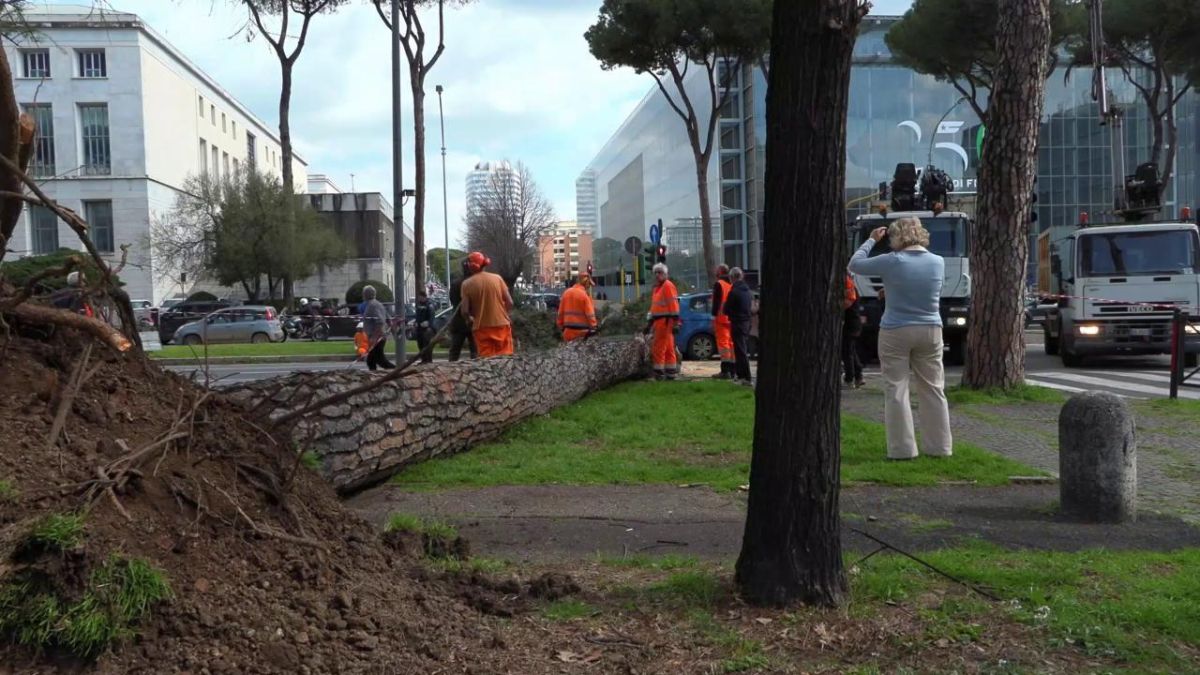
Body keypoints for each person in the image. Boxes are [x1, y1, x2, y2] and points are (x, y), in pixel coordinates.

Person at [848, 217, 952, 460]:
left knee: (896, 388)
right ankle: (939, 447)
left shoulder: (892, 261)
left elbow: (855, 264)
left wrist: (871, 240)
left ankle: (902, 449)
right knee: (934, 388)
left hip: (896, 329)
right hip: (930, 328)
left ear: (896, 237)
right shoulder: (938, 262)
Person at [459, 251, 515, 358]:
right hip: (501, 325)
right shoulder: (497, 278)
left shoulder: (466, 284)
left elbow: (465, 311)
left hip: (481, 327)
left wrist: (469, 319)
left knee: (487, 362)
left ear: (471, 266)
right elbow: (510, 302)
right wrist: (504, 314)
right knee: (505, 359)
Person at [647, 262, 680, 380]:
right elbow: (654, 306)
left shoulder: (667, 285)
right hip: (660, 321)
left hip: (665, 321)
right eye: (655, 272)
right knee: (669, 347)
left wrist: (675, 321)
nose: (657, 275)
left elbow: (673, 304)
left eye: (660, 272)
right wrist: (650, 321)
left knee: (658, 347)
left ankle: (658, 373)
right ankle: (671, 372)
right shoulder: (657, 288)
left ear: (665, 274)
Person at [722, 267, 754, 385]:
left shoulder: (734, 292)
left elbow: (725, 310)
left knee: (740, 351)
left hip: (737, 323)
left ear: (732, 278)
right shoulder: (748, 291)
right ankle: (742, 375)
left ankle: (745, 377)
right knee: (741, 350)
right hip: (747, 323)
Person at [448, 259, 478, 361]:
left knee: (454, 352)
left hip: (458, 321)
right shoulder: (475, 283)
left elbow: (452, 300)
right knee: (475, 352)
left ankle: (450, 371)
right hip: (474, 320)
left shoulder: (455, 283)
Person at [361, 285, 396, 371]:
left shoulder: (373, 305)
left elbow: (379, 322)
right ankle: (373, 376)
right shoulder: (378, 304)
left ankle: (396, 370)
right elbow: (388, 319)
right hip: (378, 336)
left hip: (377, 337)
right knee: (371, 360)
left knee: (380, 360)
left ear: (366, 294)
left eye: (363, 293)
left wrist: (374, 337)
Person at [708, 264, 735, 379]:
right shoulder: (732, 284)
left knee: (723, 344)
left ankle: (725, 370)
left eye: (716, 270)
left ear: (720, 272)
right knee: (731, 344)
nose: (715, 272)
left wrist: (713, 316)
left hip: (721, 319)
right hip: (731, 318)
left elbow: (717, 303)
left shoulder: (719, 284)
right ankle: (733, 369)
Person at [557, 272, 598, 342]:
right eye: (589, 284)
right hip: (582, 333)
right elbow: (590, 315)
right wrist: (594, 327)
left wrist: (561, 327)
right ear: (586, 282)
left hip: (567, 332)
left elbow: (560, 313)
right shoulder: (584, 296)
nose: (589, 287)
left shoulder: (566, 293)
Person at [842, 272, 865, 388]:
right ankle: (858, 375)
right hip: (853, 323)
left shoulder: (849, 285)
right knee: (850, 351)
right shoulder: (851, 285)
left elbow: (847, 303)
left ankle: (849, 379)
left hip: (851, 324)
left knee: (847, 352)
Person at [414, 290, 434, 363]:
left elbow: (431, 316)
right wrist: (415, 323)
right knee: (420, 344)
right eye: (419, 297)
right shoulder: (419, 305)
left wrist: (428, 324)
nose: (419, 299)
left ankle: (428, 360)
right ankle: (423, 359)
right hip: (419, 328)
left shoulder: (429, 305)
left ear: (424, 297)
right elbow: (417, 316)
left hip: (426, 329)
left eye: (421, 297)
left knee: (426, 345)